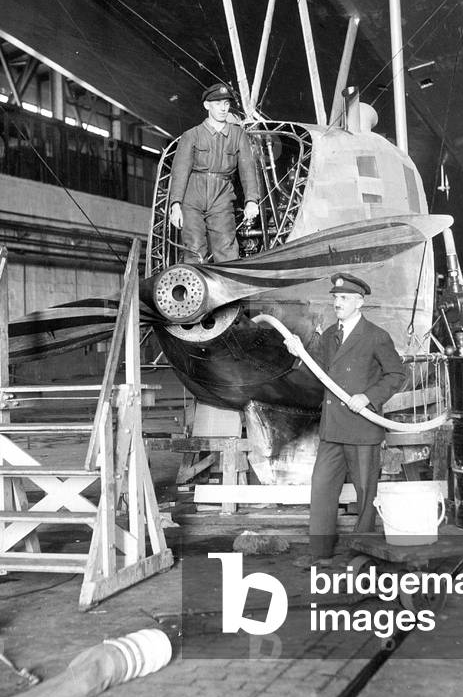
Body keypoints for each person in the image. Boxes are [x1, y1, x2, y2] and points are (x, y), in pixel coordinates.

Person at [283, 273, 407, 567]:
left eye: (343, 299)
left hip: (363, 426)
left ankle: (363, 552)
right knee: (322, 486)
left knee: (365, 493)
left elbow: (397, 375)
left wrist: (368, 397)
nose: (337, 303)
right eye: (335, 298)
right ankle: (320, 552)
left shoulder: (376, 336)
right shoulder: (328, 336)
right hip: (333, 426)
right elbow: (321, 373)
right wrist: (299, 354)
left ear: (359, 302)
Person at [167, 83, 260, 263]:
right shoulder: (191, 135)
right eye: (218, 103)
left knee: (226, 248)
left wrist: (251, 200)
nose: (223, 108)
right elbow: (180, 171)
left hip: (222, 195)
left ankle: (229, 290)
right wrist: (175, 204)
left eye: (226, 103)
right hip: (192, 196)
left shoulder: (238, 135)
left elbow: (248, 169)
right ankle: (196, 290)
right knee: (193, 249)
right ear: (207, 105)